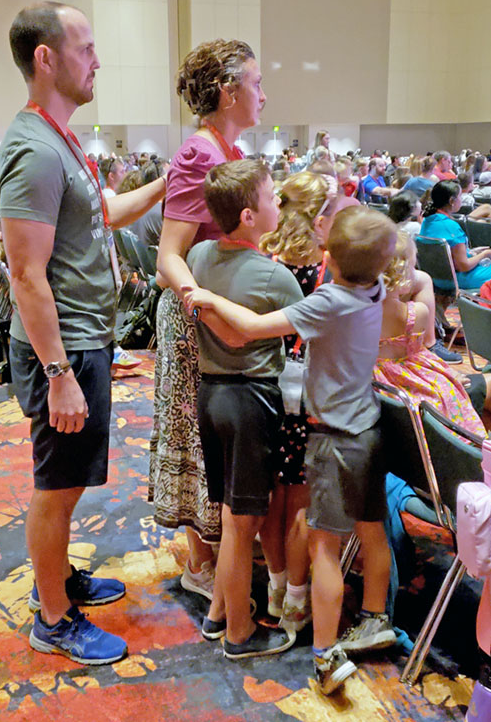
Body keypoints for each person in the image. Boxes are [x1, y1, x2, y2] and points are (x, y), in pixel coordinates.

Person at [0, 2, 166, 665]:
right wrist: (60, 374)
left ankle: (60, 582)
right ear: (46, 57)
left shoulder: (63, 138)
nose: (98, 60)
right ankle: (54, 620)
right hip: (60, 351)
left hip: (85, 341)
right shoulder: (33, 149)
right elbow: (27, 276)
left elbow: (106, 212)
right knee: (56, 487)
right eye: (87, 47)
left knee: (66, 487)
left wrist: (164, 184)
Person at [183, 207, 398, 696]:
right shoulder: (376, 289)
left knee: (324, 547)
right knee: (371, 529)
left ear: (327, 258)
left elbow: (253, 326)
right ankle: (374, 617)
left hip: (331, 439)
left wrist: (208, 297)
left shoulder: (328, 300)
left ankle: (324, 656)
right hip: (368, 428)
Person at [149, 39, 266, 601]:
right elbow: (168, 253)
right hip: (193, 313)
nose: (264, 95)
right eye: (258, 83)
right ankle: (202, 560)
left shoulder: (222, 148)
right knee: (199, 433)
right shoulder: (202, 152)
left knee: (206, 433)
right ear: (229, 91)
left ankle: (213, 552)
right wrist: (204, 301)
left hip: (208, 308)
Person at [186, 159, 302, 658]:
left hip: (210, 397)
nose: (280, 203)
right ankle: (239, 632)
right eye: (273, 197)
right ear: (250, 215)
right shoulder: (277, 278)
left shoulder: (198, 256)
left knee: (231, 516)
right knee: (241, 524)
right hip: (251, 399)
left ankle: (218, 614)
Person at [258, 170, 336, 633]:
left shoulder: (266, 254)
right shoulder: (328, 263)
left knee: (272, 495)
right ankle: (295, 599)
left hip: (266, 382)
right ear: (320, 214)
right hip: (311, 390)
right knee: (302, 497)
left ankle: (274, 586)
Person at [374, 231, 491, 433]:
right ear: (400, 276)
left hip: (383, 394)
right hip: (415, 399)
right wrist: (449, 375)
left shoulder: (342, 313)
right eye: (412, 267)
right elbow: (422, 356)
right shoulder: (415, 314)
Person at [419, 180, 491, 290]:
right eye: (460, 196)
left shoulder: (427, 221)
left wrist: (471, 252)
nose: (462, 199)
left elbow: (448, 255)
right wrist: (484, 254)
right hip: (457, 280)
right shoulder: (450, 226)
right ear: (452, 201)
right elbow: (463, 266)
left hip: (436, 278)